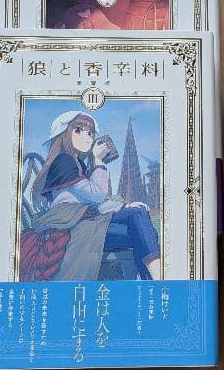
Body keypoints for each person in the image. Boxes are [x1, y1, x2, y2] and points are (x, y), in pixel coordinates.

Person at [22, 111, 162, 280]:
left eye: (90, 133)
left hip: (85, 221)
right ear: (64, 134)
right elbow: (97, 195)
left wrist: (125, 206)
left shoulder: (77, 164)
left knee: (138, 217)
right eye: (78, 130)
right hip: (70, 228)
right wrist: (99, 162)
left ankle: (153, 281)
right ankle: (155, 282)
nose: (87, 137)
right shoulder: (64, 161)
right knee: (142, 231)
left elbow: (94, 203)